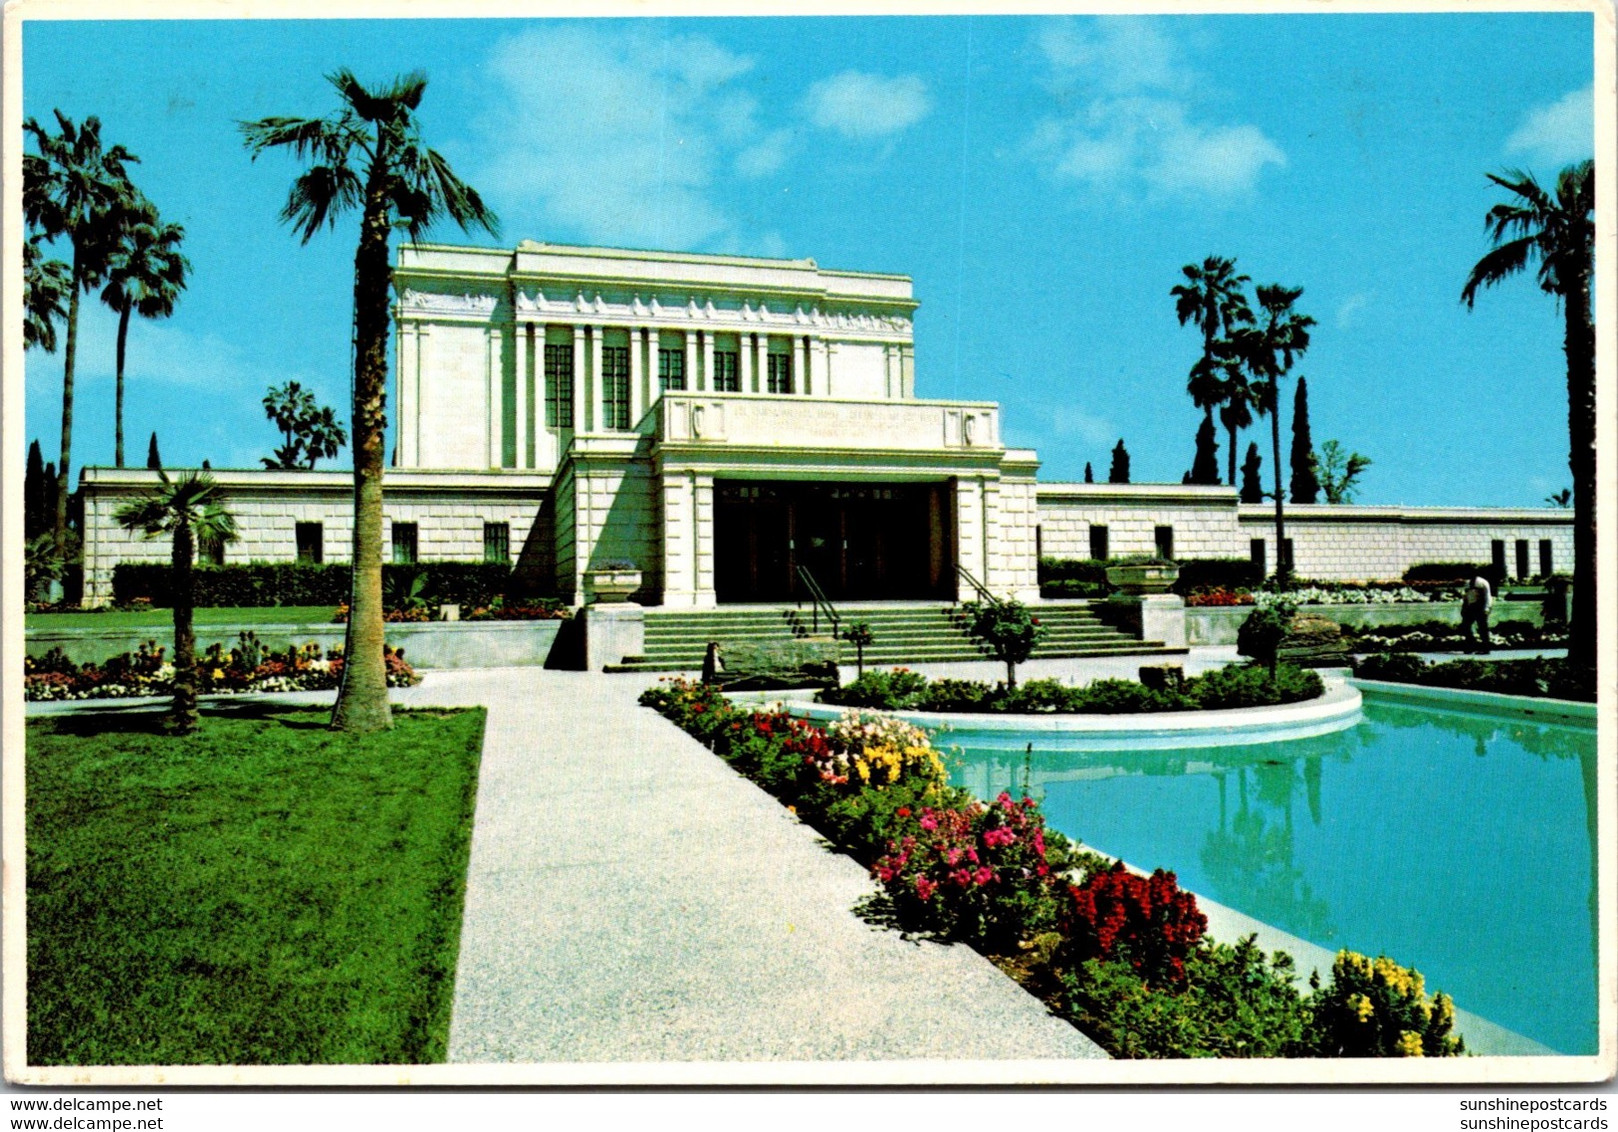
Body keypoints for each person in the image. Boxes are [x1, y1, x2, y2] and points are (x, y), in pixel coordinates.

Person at [1460, 571, 1493, 654]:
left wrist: (1486, 608)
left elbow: (1487, 596)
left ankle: (1486, 648)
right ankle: (1471, 645)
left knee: (1482, 628)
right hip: (1471, 607)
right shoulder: (1467, 583)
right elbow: (1466, 597)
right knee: (1465, 626)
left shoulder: (1482, 582)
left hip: (1480, 606)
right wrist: (1464, 608)